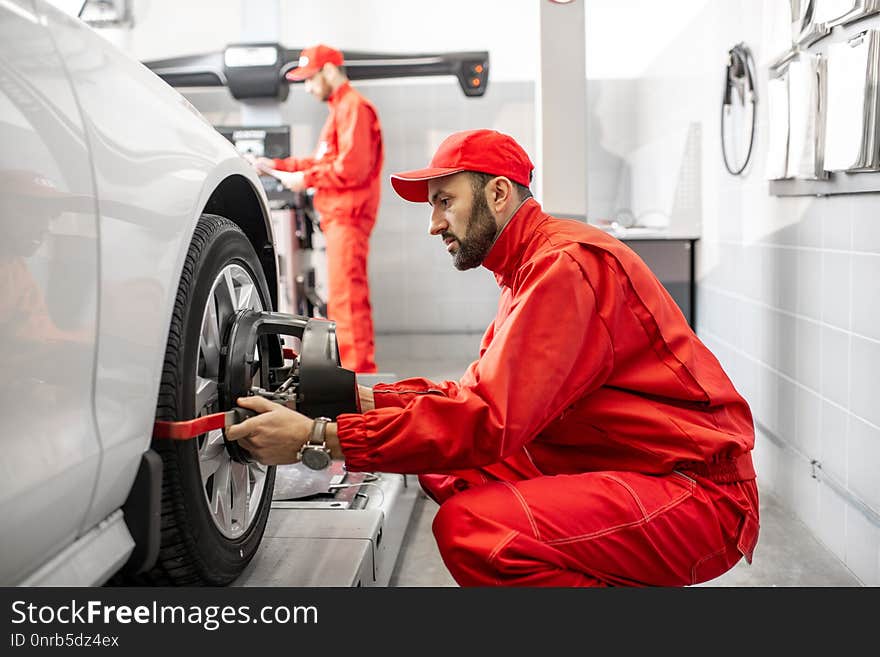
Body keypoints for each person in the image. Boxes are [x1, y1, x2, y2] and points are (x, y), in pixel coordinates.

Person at [228, 129, 760, 587]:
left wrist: (317, 440)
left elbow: (486, 420)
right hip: (628, 460)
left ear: (499, 193)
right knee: (446, 471)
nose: (434, 224)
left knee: (472, 528)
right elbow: (468, 397)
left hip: (696, 496)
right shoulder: (527, 266)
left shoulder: (563, 268)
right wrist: (351, 397)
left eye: (445, 201)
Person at [249, 44, 383, 373]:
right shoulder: (340, 111)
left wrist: (305, 178)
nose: (308, 88)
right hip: (338, 219)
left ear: (330, 71)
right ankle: (354, 375)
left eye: (311, 80)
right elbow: (323, 160)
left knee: (347, 303)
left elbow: (352, 168)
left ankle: (358, 380)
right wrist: (277, 164)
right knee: (344, 300)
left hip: (348, 218)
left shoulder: (354, 108)